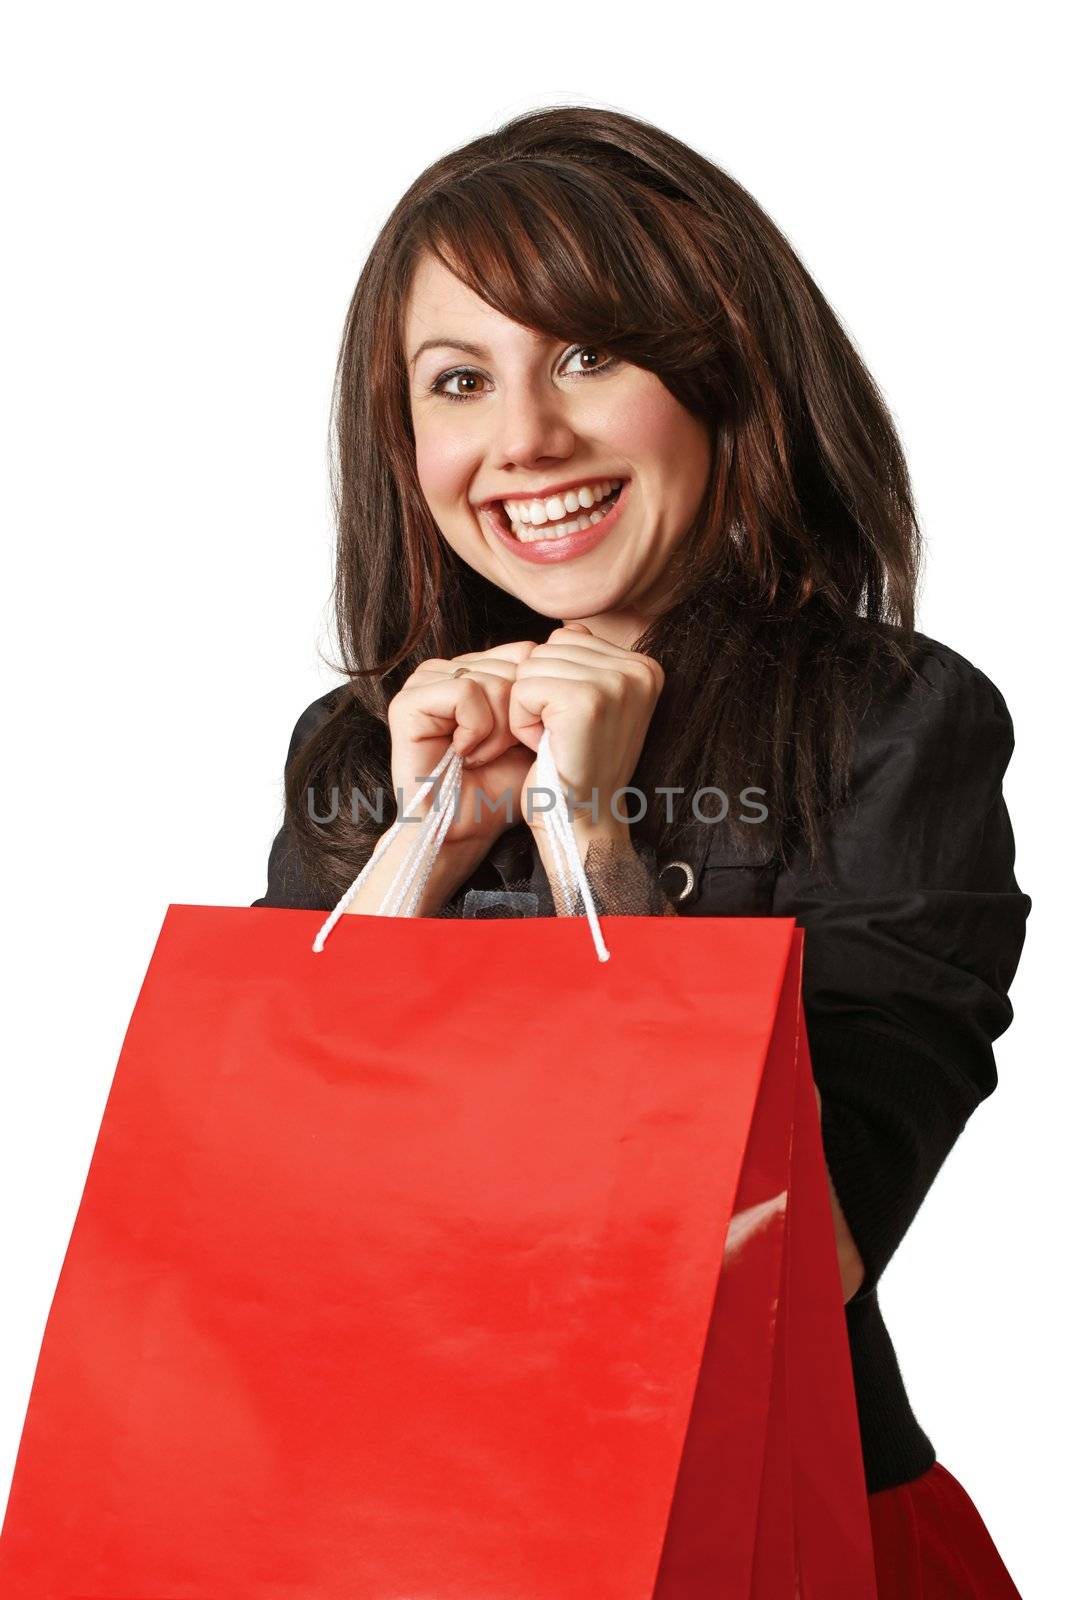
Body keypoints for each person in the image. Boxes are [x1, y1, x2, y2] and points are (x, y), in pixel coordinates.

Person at [253, 105, 1029, 1593]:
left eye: (590, 356)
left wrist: (585, 836)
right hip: (376, 1527)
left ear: (725, 376)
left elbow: (812, 1257)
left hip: (760, 1537)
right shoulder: (364, 749)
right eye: (460, 380)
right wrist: (420, 848)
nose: (525, 439)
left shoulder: (889, 725)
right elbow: (264, 1203)